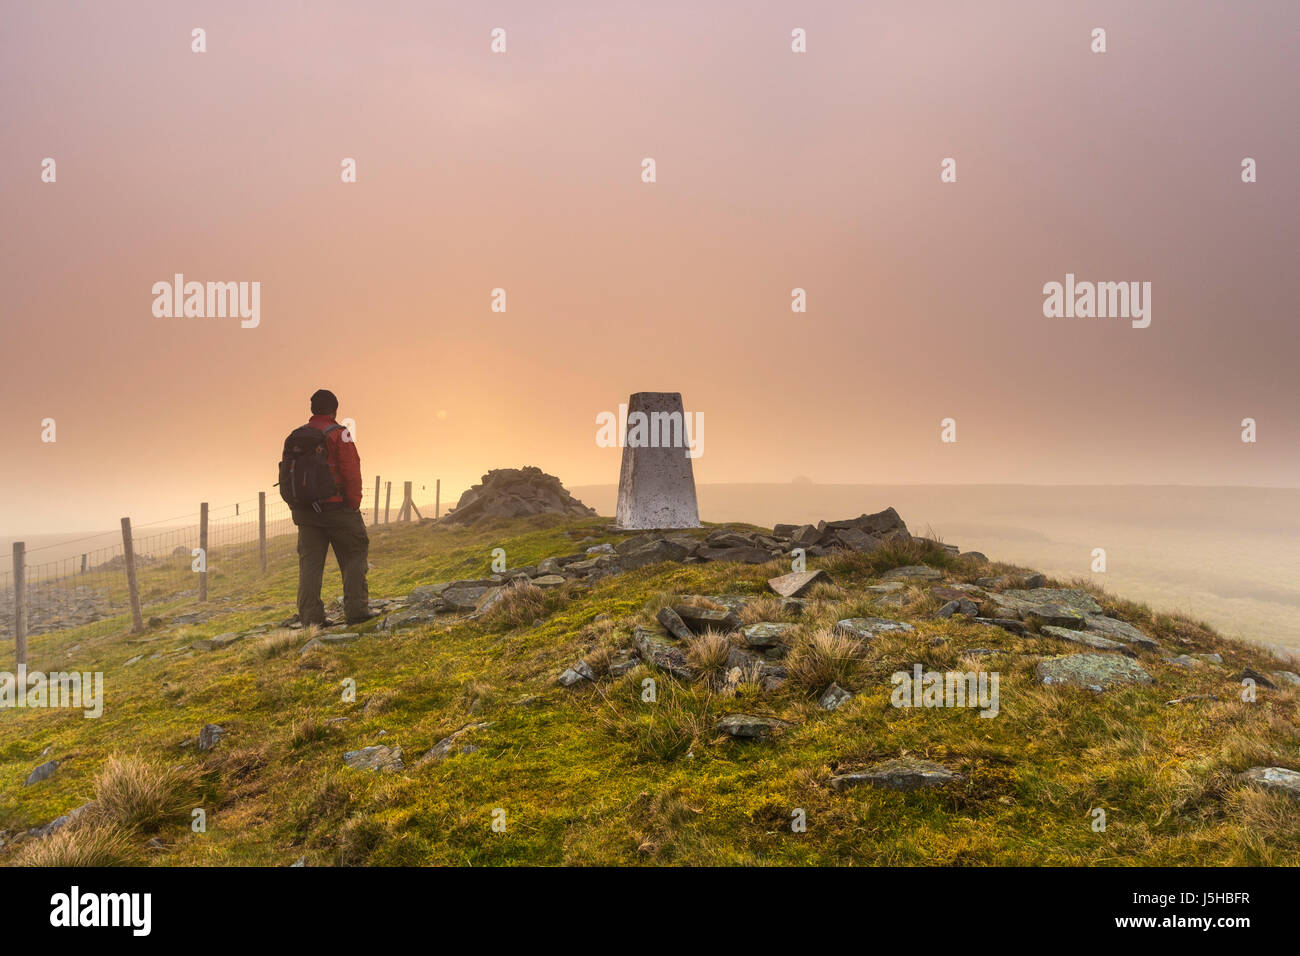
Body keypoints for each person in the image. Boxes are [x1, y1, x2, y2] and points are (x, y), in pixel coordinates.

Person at [290, 389, 374, 625]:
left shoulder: (297, 436)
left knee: (310, 565)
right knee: (354, 556)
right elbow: (351, 471)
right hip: (338, 510)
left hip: (306, 512)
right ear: (335, 410)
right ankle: (356, 610)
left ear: (312, 410)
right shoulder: (340, 434)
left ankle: (310, 618)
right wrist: (353, 504)